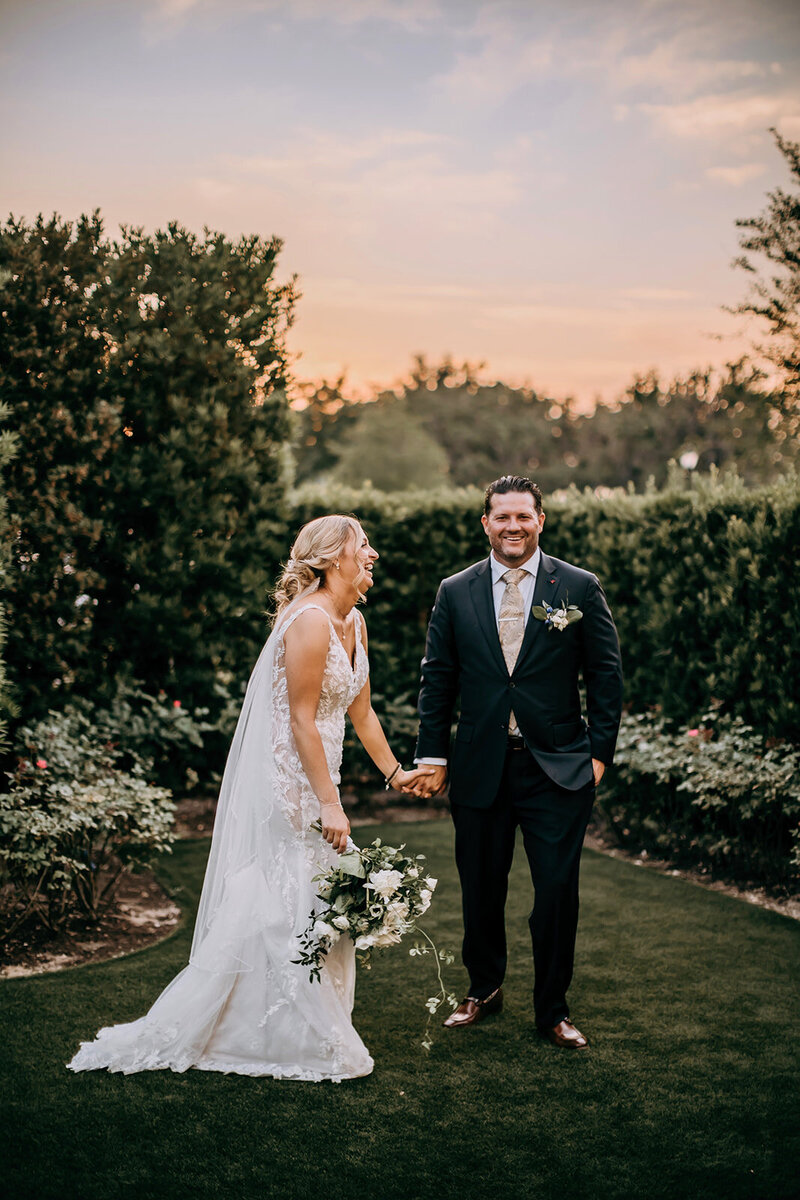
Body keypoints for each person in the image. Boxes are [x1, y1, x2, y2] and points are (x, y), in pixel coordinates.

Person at [68, 515, 432, 1082]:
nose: (374, 556)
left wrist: (394, 774)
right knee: (288, 894)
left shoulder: (354, 621)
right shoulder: (309, 621)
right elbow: (302, 722)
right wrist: (329, 802)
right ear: (335, 557)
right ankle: (278, 1031)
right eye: (365, 547)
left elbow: (360, 710)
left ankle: (292, 1022)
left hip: (319, 773)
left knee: (310, 893)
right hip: (291, 777)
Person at [412, 476, 623, 1048]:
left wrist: (597, 756)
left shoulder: (576, 586)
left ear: (540, 521)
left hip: (558, 768)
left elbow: (606, 674)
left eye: (523, 517)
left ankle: (553, 1009)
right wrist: (432, 755)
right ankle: (483, 987)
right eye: (501, 517)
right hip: (481, 765)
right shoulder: (455, 590)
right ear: (486, 523)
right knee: (481, 888)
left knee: (556, 892)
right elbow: (438, 679)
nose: (512, 527)